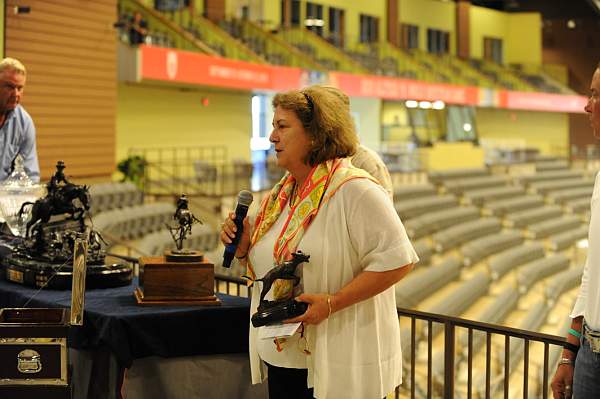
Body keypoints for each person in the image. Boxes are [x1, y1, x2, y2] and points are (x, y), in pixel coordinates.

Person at [220, 85, 418, 398]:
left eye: (282, 127)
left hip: (338, 359)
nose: (272, 137)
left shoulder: (355, 190)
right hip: (285, 356)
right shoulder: (281, 195)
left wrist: (332, 303)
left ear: (315, 135)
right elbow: (272, 263)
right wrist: (245, 247)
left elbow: (398, 260)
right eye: (273, 126)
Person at [551, 61, 600, 399]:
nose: (587, 104)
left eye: (595, 95)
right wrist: (570, 350)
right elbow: (591, 272)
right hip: (589, 354)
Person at [0, 57, 39, 182]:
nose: (16, 94)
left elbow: (30, 175)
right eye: (9, 87)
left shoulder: (24, 123)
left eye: (20, 88)